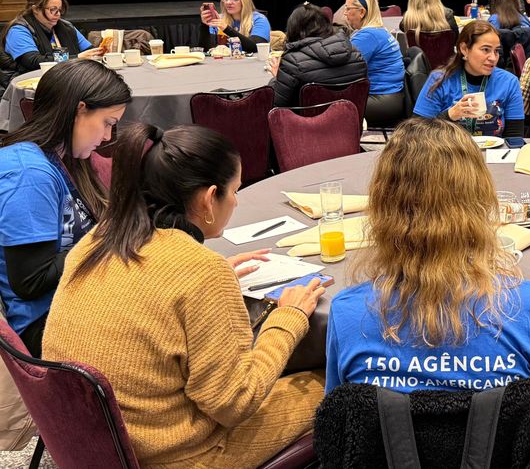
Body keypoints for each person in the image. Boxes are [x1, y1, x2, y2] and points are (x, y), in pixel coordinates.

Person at [43, 123, 326, 468]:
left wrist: (206, 278)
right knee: (331, 379)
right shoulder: (201, 271)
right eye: (235, 191)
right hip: (177, 455)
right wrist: (288, 319)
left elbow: (147, 293)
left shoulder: (98, 239)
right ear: (209, 198)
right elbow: (234, 402)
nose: (236, 201)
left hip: (97, 440)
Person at [326, 117, 530, 393]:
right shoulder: (524, 306)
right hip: (500, 436)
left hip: (385, 437)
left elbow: (339, 418)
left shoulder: (347, 312)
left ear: (382, 207)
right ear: (479, 203)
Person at [0, 58, 129, 356]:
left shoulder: (60, 157)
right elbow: (31, 283)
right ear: (79, 110)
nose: (108, 137)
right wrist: (108, 234)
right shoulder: (28, 174)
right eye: (107, 123)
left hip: (74, 303)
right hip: (46, 326)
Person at [413, 21, 525, 138]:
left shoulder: (509, 82)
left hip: (494, 154)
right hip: (450, 153)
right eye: (486, 50)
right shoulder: (439, 79)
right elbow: (415, 133)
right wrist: (449, 116)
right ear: (464, 49)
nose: (493, 58)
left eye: (496, 51)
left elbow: (514, 138)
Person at [0, 0, 105, 88]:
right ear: (35, 9)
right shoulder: (18, 30)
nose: (58, 14)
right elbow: (33, 61)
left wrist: (99, 52)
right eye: (53, 10)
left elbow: (89, 51)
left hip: (64, 80)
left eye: (60, 10)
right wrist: (77, 58)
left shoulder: (66, 27)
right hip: (26, 84)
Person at [269, 3, 367, 108]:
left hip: (306, 123)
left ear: (294, 30)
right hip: (350, 121)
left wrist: (278, 78)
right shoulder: (356, 54)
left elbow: (276, 107)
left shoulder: (293, 63)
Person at [344, 0, 407, 126]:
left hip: (381, 100)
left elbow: (344, 71)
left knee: (329, 105)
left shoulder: (367, 36)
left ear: (361, 12)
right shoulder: (379, 30)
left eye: (348, 9)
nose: (344, 13)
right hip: (393, 98)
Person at [199, 0, 271, 49]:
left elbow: (255, 47)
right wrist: (204, 26)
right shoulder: (220, 19)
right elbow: (206, 49)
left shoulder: (259, 19)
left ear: (245, 0)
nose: (228, 2)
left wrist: (227, 29)